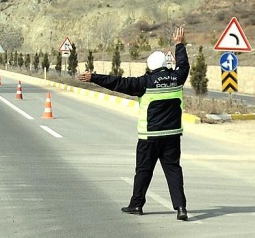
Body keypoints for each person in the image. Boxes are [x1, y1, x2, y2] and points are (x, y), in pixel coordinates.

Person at [78, 26, 189, 221]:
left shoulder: (144, 82)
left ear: (150, 67)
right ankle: (181, 208)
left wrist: (94, 77)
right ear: (166, 64)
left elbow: (118, 82)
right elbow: (184, 64)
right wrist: (179, 44)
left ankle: (136, 205)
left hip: (149, 137)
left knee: (143, 171)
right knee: (174, 171)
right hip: (172, 136)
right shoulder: (177, 78)